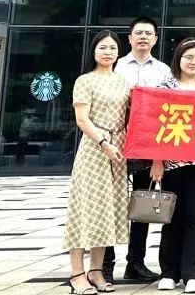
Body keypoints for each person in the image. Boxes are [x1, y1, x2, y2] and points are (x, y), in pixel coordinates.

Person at [150, 39, 195, 293]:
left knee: (194, 216)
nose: (194, 62)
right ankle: (169, 272)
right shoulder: (164, 87)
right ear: (178, 58)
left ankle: (193, 274)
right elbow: (154, 125)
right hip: (171, 163)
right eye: (189, 57)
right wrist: (157, 160)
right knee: (172, 216)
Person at [65, 31, 130, 295]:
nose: (108, 52)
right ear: (93, 51)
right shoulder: (85, 80)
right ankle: (77, 274)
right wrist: (104, 143)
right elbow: (82, 119)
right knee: (84, 210)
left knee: (107, 211)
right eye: (102, 47)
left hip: (119, 151)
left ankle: (96, 271)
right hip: (94, 150)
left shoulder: (123, 81)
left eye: (112, 48)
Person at [104, 16, 167, 284]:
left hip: (147, 145)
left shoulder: (164, 71)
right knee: (110, 202)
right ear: (129, 38)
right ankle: (105, 264)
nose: (143, 37)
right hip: (116, 142)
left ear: (155, 39)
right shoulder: (114, 66)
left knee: (143, 202)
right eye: (138, 33)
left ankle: (136, 263)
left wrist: (159, 155)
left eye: (148, 33)